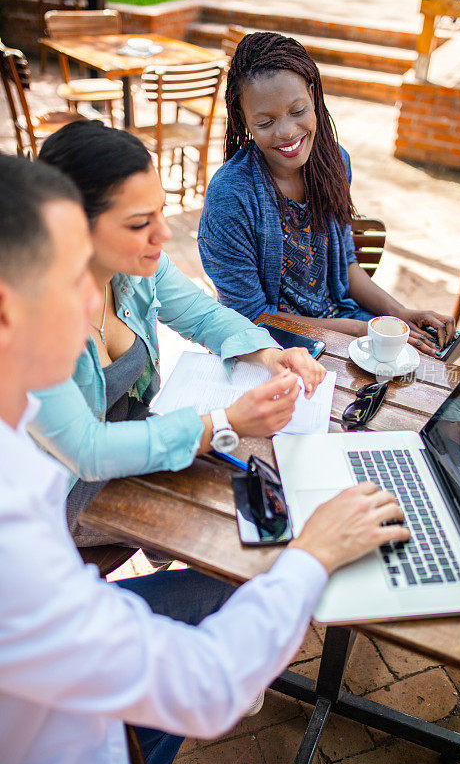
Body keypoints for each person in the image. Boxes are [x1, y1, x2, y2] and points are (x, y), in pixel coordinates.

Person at [0, 152, 410, 764]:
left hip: (68, 684)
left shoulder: (19, 442)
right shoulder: (18, 554)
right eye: (71, 276)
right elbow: (204, 686)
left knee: (237, 525)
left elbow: (198, 311)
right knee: (246, 556)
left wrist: (267, 353)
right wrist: (312, 555)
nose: (93, 297)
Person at [32, 120, 325, 560]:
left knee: (253, 491)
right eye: (138, 223)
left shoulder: (134, 270)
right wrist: (224, 423)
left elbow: (204, 315)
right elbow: (87, 452)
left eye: (161, 211)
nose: (163, 234)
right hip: (57, 492)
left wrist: (270, 353)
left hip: (138, 435)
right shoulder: (28, 320)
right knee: (229, 530)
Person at [198, 31, 456, 357]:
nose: (287, 132)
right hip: (276, 348)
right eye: (265, 122)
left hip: (346, 321)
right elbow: (251, 318)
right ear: (244, 121)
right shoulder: (231, 198)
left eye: (298, 110)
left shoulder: (334, 162)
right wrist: (360, 331)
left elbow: (345, 264)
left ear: (312, 94)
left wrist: (398, 314)